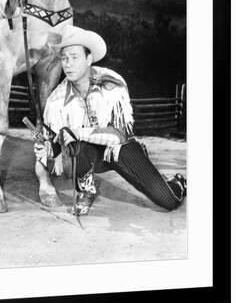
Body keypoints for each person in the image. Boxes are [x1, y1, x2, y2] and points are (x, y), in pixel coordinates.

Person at [34, 25, 186, 216]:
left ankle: (177, 182)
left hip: (119, 149)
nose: (68, 64)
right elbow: (56, 144)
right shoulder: (55, 101)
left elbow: (121, 135)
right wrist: (46, 150)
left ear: (89, 59)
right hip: (87, 154)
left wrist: (77, 132)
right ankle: (86, 189)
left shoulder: (112, 83)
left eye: (74, 57)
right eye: (64, 59)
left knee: (168, 201)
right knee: (76, 143)